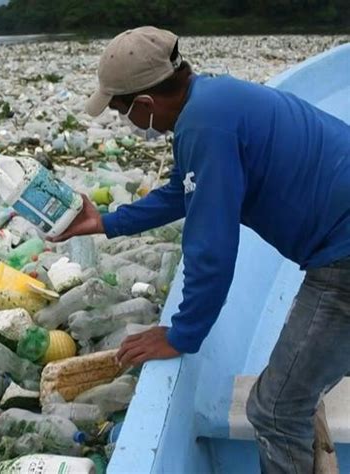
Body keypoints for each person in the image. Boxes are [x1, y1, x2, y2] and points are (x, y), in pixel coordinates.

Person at [51, 26, 350, 472]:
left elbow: (211, 249)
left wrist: (181, 334)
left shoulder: (204, 126)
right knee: (294, 387)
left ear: (145, 104)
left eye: (120, 110)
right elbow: (182, 190)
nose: (123, 121)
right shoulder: (210, 99)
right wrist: (106, 223)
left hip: (341, 257)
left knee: (274, 410)